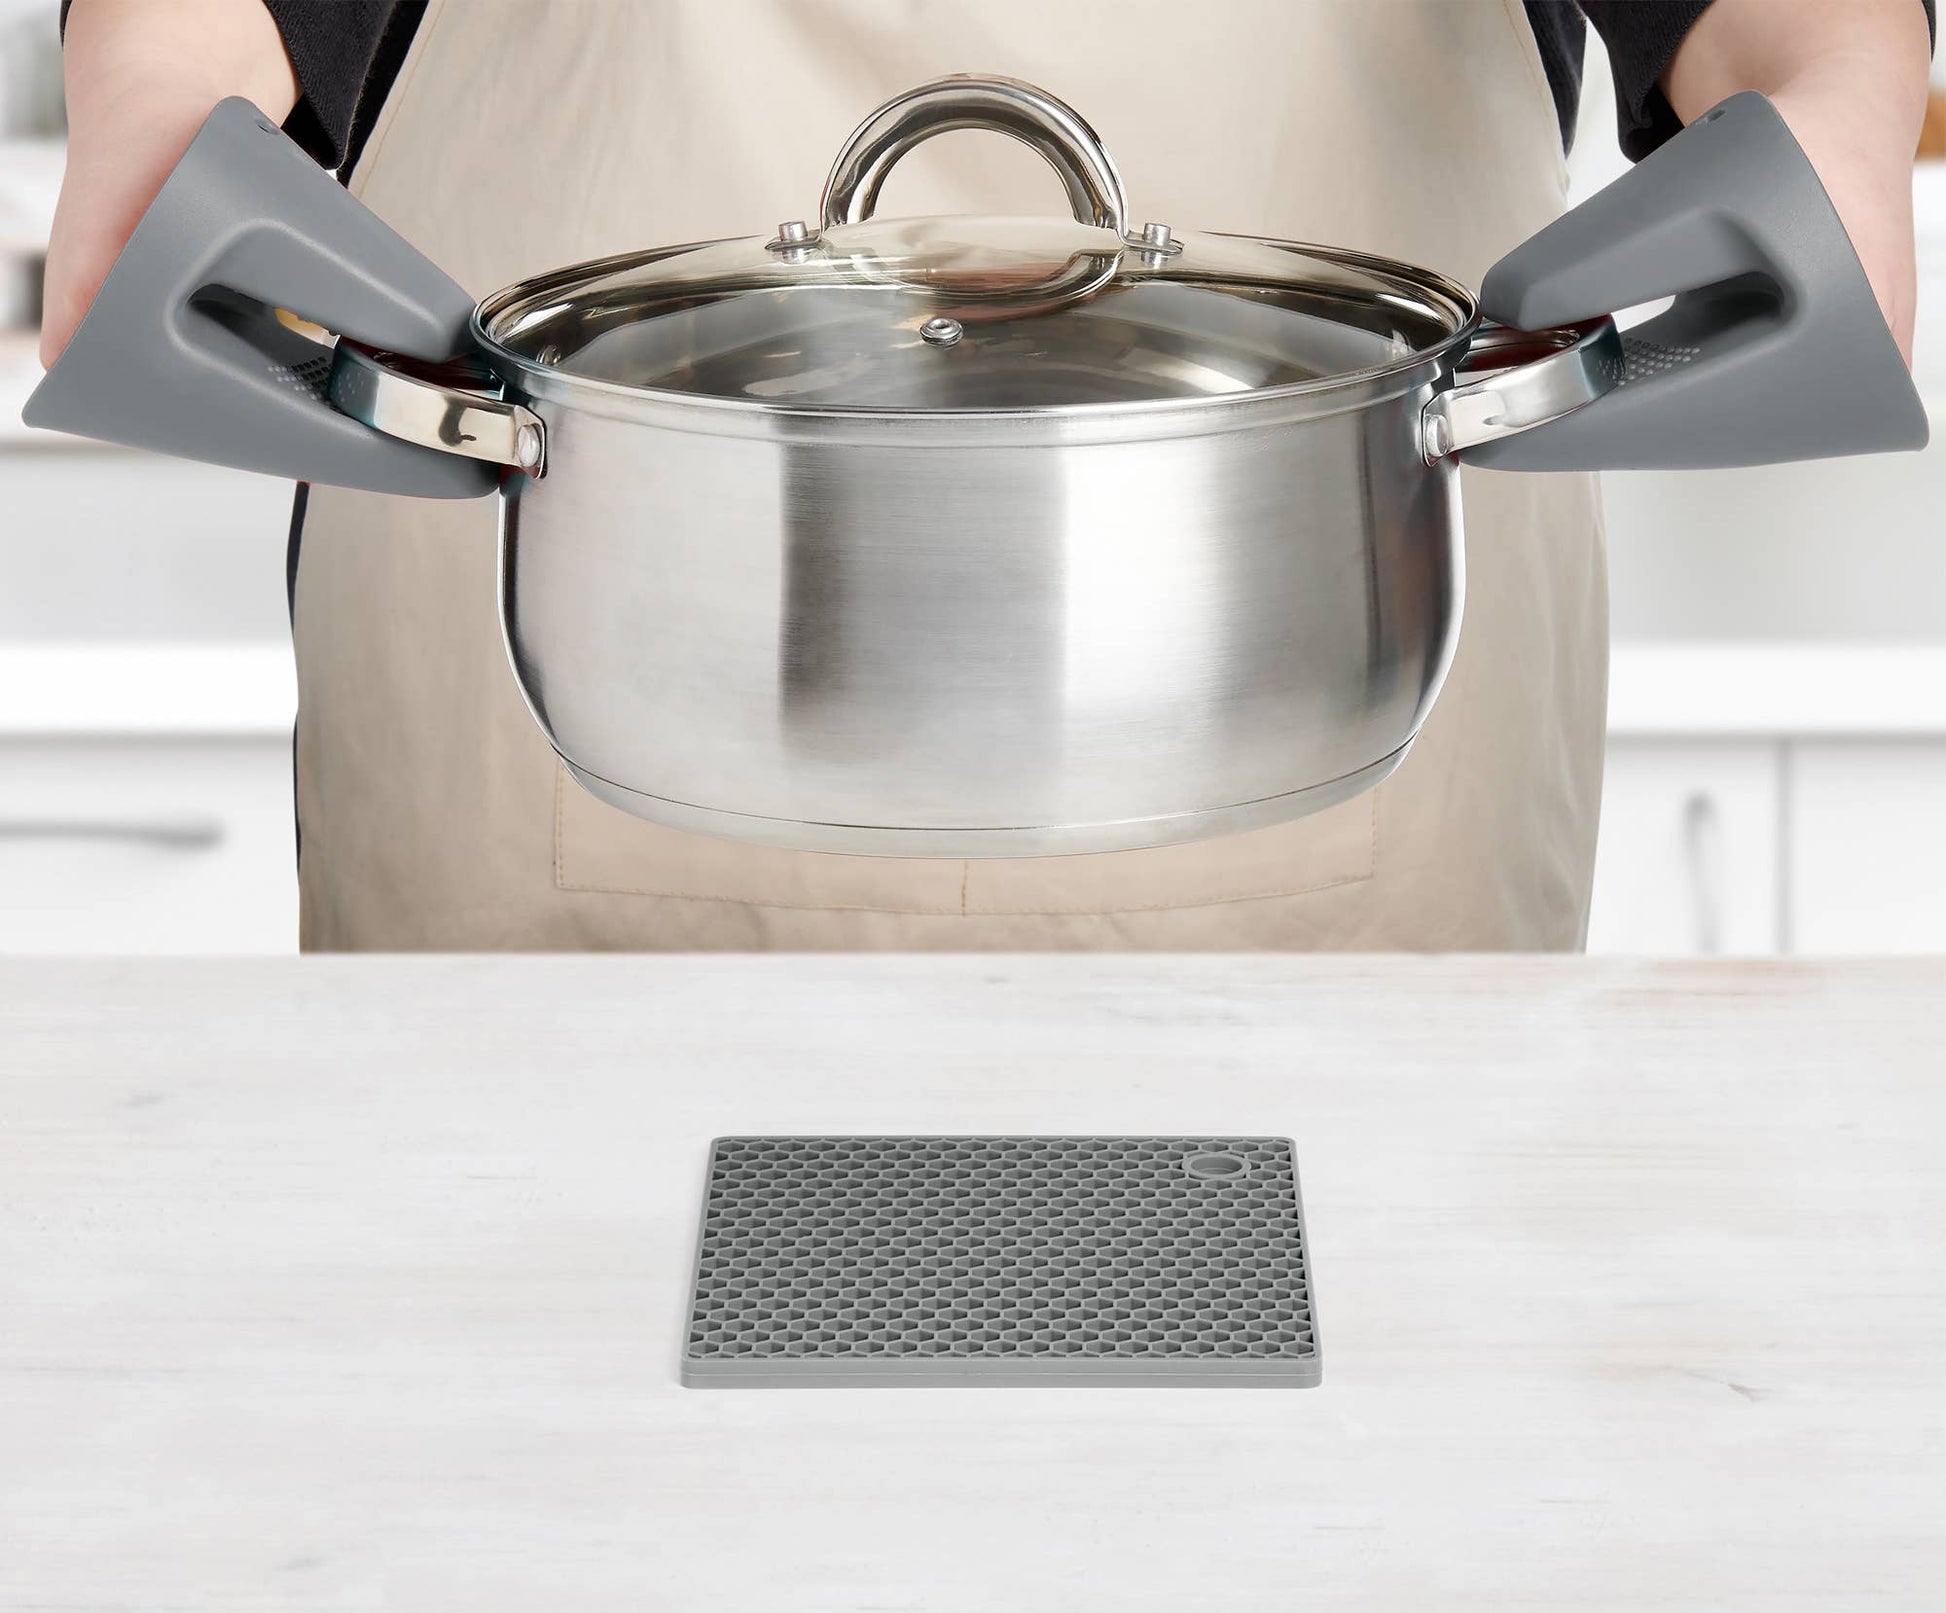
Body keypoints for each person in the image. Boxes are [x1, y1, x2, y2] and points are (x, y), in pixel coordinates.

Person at [42, 0, 1935, 952]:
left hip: (1340, 706)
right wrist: (157, 98)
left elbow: (1789, 22)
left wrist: (1828, 110)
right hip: (548, 726)